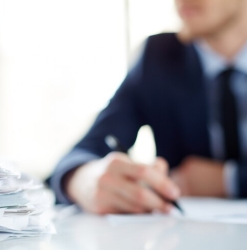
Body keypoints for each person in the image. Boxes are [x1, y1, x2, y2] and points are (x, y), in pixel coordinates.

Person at [47, 0, 247, 214]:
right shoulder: (158, 57)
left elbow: (227, 181)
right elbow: (83, 152)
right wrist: (88, 181)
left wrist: (230, 180)